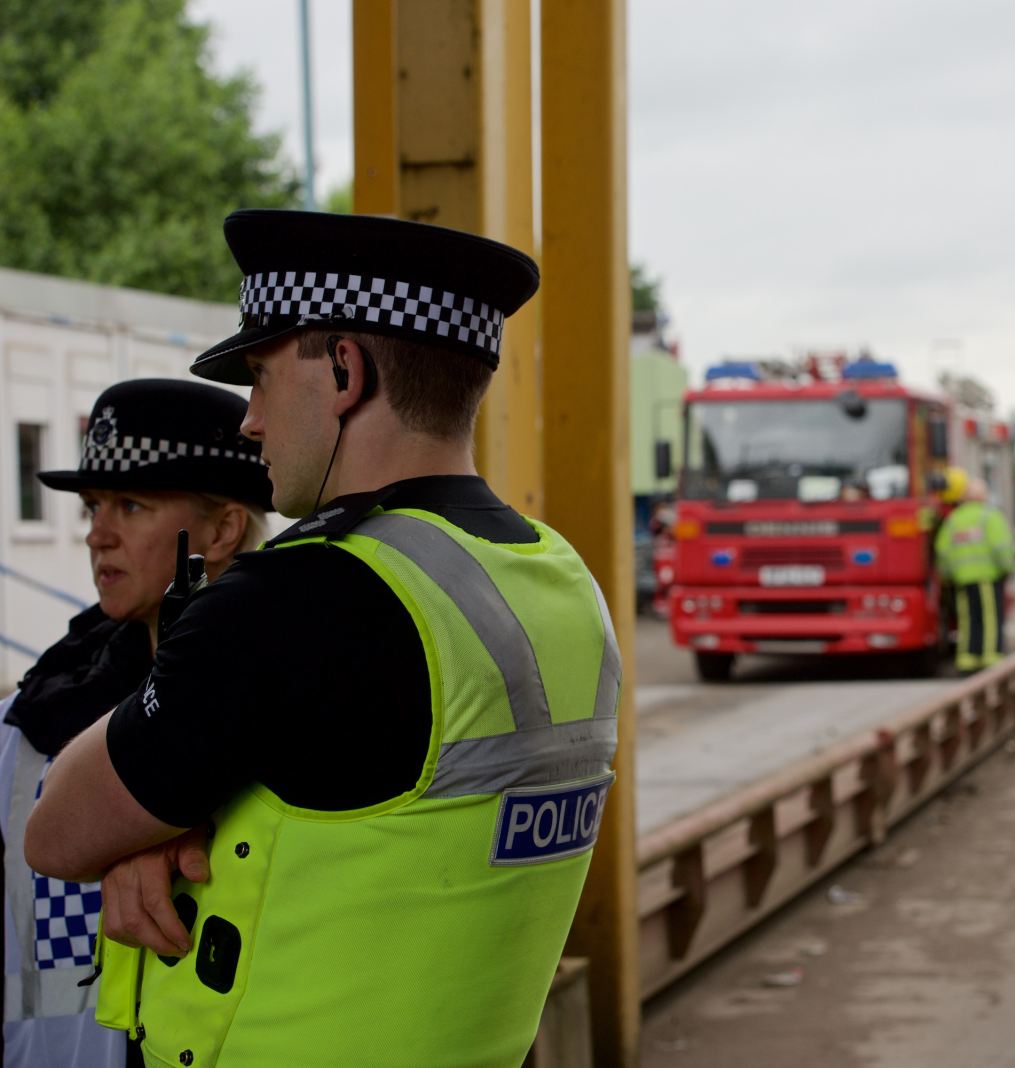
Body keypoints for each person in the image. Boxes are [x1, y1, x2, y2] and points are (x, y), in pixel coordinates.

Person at [25, 210, 620, 1067]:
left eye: (262, 377)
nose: (250, 422)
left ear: (344, 369)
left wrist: (148, 830)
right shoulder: (559, 580)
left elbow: (58, 832)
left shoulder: (305, 592)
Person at [3, 380, 271, 1068]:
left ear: (223, 528)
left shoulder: (297, 711)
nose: (97, 533)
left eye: (131, 504)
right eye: (94, 505)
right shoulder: (31, 722)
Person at [935, 477, 1013, 675]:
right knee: (990, 619)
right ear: (983, 496)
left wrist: (949, 575)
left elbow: (942, 551)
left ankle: (967, 660)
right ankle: (990, 658)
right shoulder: (990, 516)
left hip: (961, 580)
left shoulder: (953, 519)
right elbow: (1001, 548)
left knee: (967, 620)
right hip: (987, 578)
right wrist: (1007, 569)